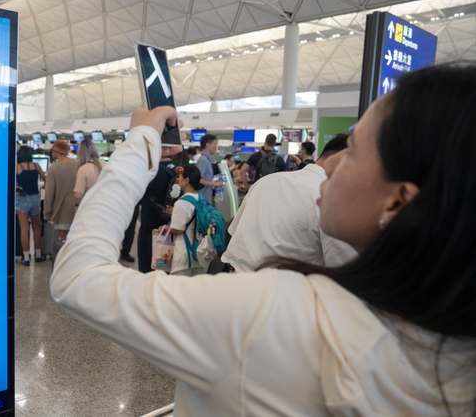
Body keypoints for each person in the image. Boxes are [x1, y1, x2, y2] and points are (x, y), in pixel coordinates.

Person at [51, 63, 476, 416]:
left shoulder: (273, 314)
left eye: (356, 150)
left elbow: (78, 277)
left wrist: (139, 144)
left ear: (398, 202)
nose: (331, 164)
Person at [221, 134, 357, 272]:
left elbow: (232, 232)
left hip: (232, 281)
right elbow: (343, 271)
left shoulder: (265, 181)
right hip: (285, 290)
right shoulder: (330, 201)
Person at [158, 165, 204, 277]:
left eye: (180, 176)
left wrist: (163, 228)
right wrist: (176, 212)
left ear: (187, 180)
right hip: (198, 252)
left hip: (184, 254)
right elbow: (193, 215)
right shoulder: (200, 197)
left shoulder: (181, 202)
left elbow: (178, 230)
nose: (177, 179)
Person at [137, 154, 178, 273]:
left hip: (149, 221)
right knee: (165, 260)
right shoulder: (178, 169)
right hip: (169, 223)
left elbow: (138, 195)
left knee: (146, 258)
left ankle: (147, 285)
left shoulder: (150, 171)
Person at [43, 140, 78, 256]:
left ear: (56, 151)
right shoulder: (77, 164)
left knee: (64, 243)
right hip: (78, 211)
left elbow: (49, 194)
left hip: (61, 212)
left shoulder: (53, 169)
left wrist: (47, 213)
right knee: (75, 244)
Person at [16, 146, 46, 265]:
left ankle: (26, 257)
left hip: (23, 199)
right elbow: (45, 178)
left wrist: (17, 188)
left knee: (24, 229)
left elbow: (9, 182)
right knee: (36, 228)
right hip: (35, 198)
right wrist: (43, 187)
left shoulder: (18, 167)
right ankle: (38, 255)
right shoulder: (36, 166)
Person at [195, 134, 223, 204]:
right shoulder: (203, 160)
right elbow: (198, 179)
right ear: (207, 145)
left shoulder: (206, 160)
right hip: (202, 199)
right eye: (214, 144)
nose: (216, 147)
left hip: (205, 197)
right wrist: (214, 184)